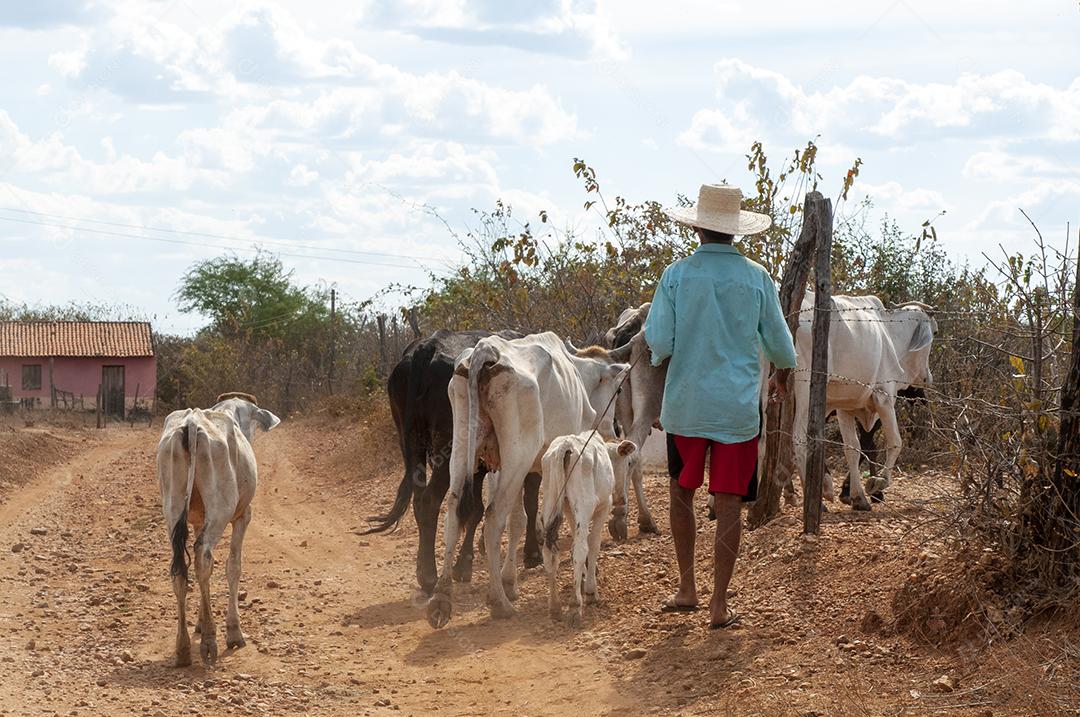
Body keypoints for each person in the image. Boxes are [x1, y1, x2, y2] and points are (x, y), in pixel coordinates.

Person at [644, 183, 797, 629]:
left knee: (680, 492)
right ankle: (719, 604)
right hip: (736, 411)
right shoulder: (757, 278)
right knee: (729, 503)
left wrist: (663, 358)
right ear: (736, 232)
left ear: (696, 227)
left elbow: (659, 340)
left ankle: (686, 587)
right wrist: (780, 376)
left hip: (686, 406)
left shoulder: (675, 275)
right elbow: (782, 347)